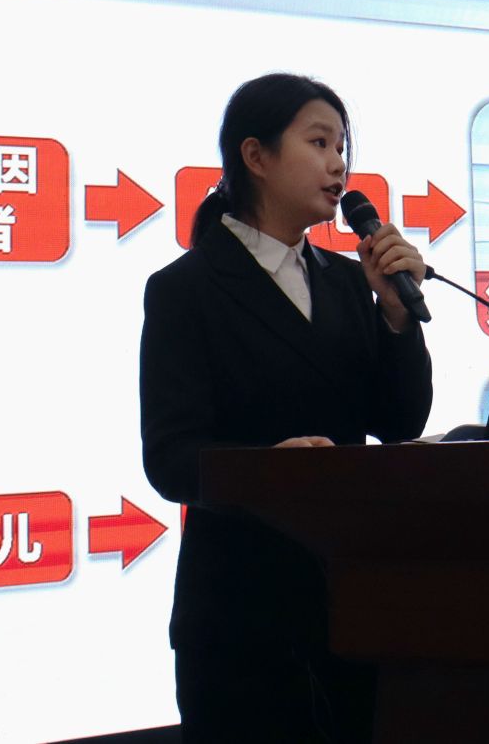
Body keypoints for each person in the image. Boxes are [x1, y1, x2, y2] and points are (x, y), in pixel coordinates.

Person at [139, 74, 433, 743]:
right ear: (257, 156)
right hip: (241, 619)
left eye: (342, 148)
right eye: (319, 143)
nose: (339, 165)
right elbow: (170, 457)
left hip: (351, 604)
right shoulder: (187, 288)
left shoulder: (347, 280)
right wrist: (267, 470)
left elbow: (398, 422)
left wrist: (395, 314)